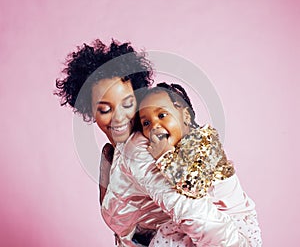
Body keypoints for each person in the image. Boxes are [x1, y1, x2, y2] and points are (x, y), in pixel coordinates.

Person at [55, 39, 259, 247]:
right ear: (90, 111)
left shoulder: (141, 149)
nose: (118, 118)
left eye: (127, 104)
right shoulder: (114, 152)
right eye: (105, 109)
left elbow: (193, 212)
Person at [138, 82, 262, 246]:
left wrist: (164, 155)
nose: (155, 126)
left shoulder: (204, 140)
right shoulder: (174, 149)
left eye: (162, 115)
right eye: (146, 123)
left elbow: (193, 186)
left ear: (186, 116)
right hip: (203, 220)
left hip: (233, 223)